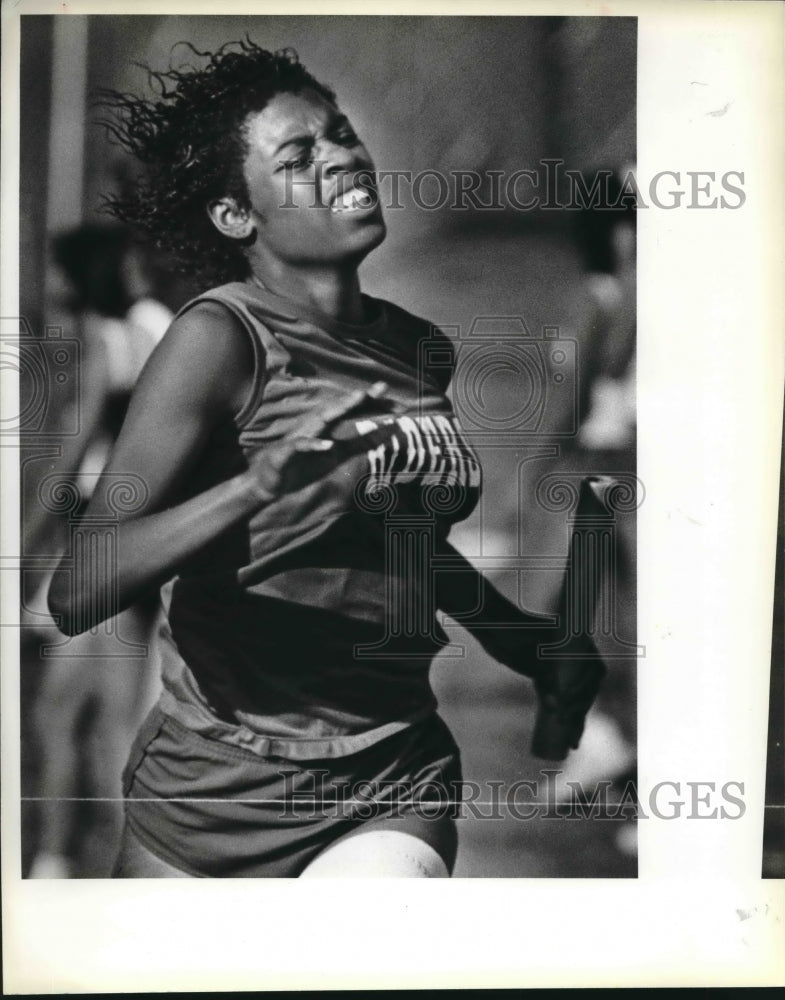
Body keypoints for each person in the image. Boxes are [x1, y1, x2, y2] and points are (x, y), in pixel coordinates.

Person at [49, 40, 603, 878]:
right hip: (213, 798)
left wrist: (520, 639)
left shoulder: (416, 349)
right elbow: (78, 589)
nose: (341, 155)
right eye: (298, 154)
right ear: (238, 216)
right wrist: (253, 490)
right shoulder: (216, 339)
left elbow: (400, 550)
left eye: (340, 132)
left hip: (390, 775)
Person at [26, 224, 172, 877]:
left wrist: (22, 547)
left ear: (77, 276)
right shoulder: (155, 329)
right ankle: (86, 864)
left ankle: (69, 865)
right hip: (135, 547)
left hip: (98, 547)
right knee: (100, 719)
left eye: (56, 269)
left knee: (70, 719)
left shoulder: (103, 340)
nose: (47, 282)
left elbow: (66, 466)